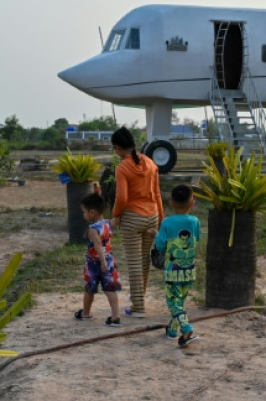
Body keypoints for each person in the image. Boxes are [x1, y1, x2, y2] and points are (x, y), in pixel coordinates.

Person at [110, 126, 164, 317]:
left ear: (117, 147)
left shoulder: (122, 168)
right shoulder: (150, 163)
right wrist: (161, 219)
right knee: (144, 261)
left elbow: (122, 198)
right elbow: (157, 193)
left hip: (132, 218)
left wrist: (115, 215)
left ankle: (138, 307)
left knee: (134, 262)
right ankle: (139, 300)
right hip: (152, 215)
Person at [154, 184, 202, 347]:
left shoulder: (167, 222)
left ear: (171, 203)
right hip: (189, 271)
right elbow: (198, 239)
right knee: (180, 300)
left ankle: (186, 328)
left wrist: (155, 235)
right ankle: (173, 331)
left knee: (173, 302)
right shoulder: (195, 221)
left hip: (172, 272)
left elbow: (160, 245)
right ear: (192, 203)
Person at [75, 193, 122, 326]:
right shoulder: (108, 223)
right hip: (110, 259)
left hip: (94, 262)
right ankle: (115, 316)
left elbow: (97, 245)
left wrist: (102, 262)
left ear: (92, 213)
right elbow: (117, 219)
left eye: (84, 212)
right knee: (110, 289)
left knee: (89, 289)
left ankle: (86, 313)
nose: (83, 215)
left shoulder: (92, 229)